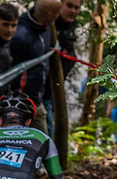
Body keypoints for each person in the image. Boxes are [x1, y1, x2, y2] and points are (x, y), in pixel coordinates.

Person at [9, 0, 62, 134]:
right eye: (56, 13)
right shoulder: (21, 36)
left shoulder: (47, 26)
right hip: (21, 103)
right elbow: (11, 73)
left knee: (44, 141)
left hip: (38, 100)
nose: (58, 16)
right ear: (49, 14)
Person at [43, 0, 80, 138]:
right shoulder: (47, 25)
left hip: (52, 93)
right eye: (69, 6)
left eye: (76, 8)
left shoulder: (71, 27)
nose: (73, 11)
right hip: (37, 90)